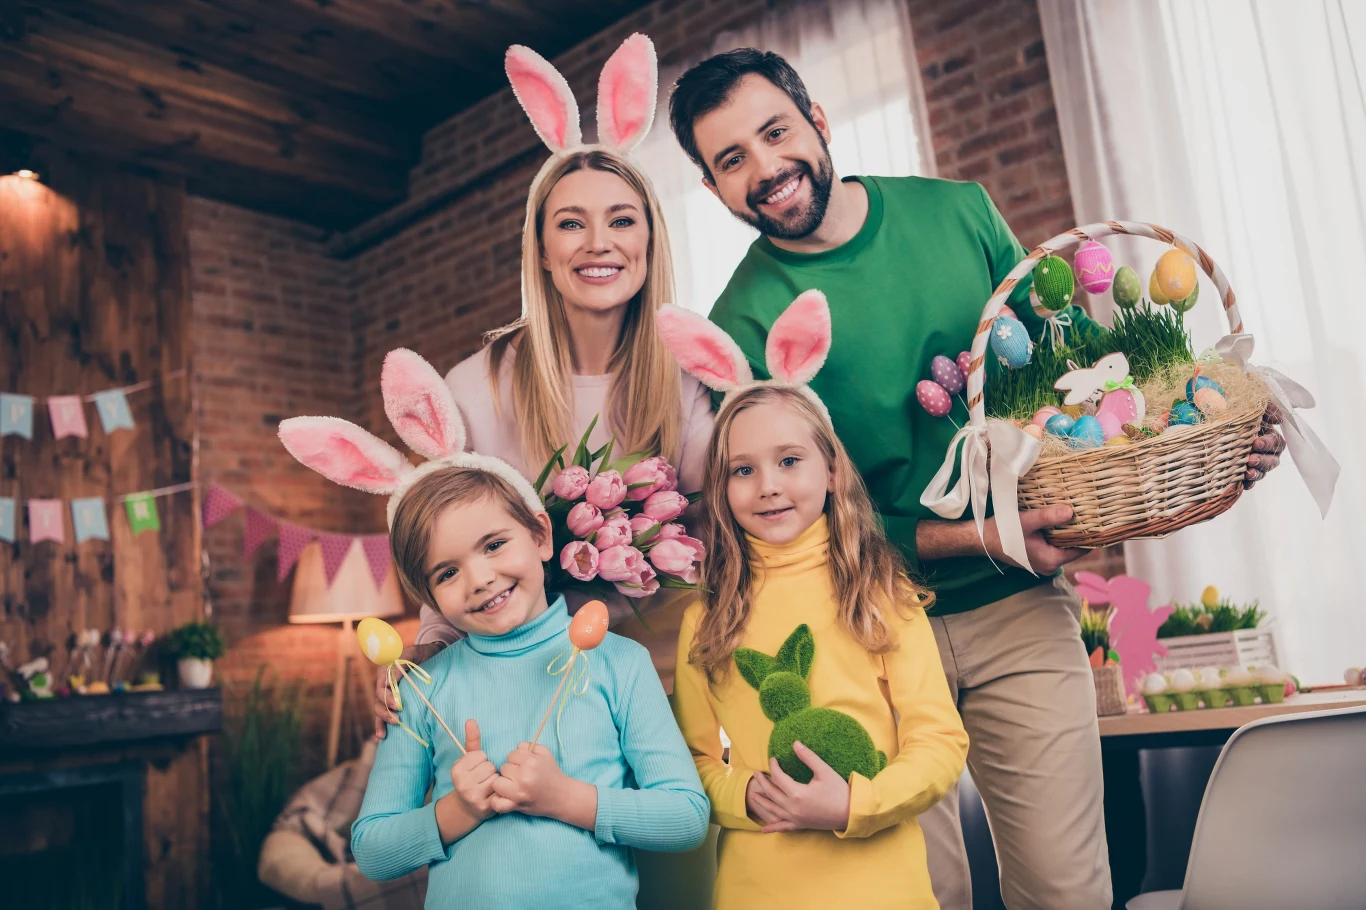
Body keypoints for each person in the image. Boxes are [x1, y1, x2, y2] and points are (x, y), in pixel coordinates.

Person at [667, 49, 1285, 910]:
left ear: (817, 118)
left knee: (1065, 891)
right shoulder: (742, 321)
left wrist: (1198, 432)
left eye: (775, 132)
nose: (766, 169)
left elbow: (1073, 386)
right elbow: (794, 510)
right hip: (859, 629)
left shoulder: (957, 214)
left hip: (1013, 609)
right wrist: (977, 532)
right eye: (732, 159)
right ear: (712, 189)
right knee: (923, 895)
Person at [280, 349, 709, 909]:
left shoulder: (618, 663)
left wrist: (565, 798)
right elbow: (373, 849)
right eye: (447, 572)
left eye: (494, 545)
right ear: (427, 595)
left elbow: (685, 817)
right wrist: (459, 811)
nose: (480, 579)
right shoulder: (421, 687)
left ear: (539, 536)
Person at [373, 35, 715, 738]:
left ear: (650, 240)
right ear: (541, 250)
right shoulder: (477, 388)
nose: (599, 243)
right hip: (533, 700)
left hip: (678, 690)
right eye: (571, 224)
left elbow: (730, 528)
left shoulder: (687, 374)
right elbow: (448, 554)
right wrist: (423, 658)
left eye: (622, 220)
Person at [662, 293, 969, 910]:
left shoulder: (879, 589)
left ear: (831, 470)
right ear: (720, 490)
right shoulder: (705, 617)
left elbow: (939, 741)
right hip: (759, 888)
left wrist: (856, 804)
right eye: (741, 471)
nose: (768, 485)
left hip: (883, 886)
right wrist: (743, 796)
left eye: (790, 460)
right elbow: (691, 764)